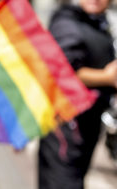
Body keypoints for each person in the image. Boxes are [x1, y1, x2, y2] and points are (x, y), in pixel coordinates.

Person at [38, 1, 117, 189]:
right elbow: (60, 72)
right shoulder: (67, 23)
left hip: (85, 129)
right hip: (65, 132)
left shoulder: (98, 23)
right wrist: (106, 77)